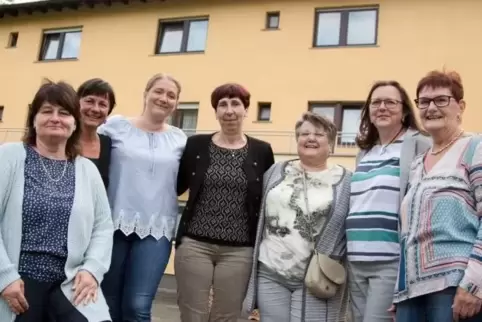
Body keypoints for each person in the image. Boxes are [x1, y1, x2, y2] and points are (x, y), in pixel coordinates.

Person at [0, 80, 113, 321]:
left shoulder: (87, 170)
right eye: (47, 111)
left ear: (74, 122)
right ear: (34, 119)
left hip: (69, 278)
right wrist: (4, 277)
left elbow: (103, 227)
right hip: (17, 277)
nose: (55, 118)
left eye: (64, 113)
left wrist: (92, 270)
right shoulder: (8, 157)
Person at [175, 83, 275, 322]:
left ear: (246, 109)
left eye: (235, 104)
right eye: (222, 105)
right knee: (192, 314)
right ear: (216, 111)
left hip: (239, 250)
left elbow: (270, 197)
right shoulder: (196, 145)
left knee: (227, 315)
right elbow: (175, 186)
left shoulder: (262, 151)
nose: (229, 110)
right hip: (195, 244)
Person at [244, 112, 351, 322]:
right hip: (271, 271)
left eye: (318, 134)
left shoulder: (347, 180)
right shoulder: (276, 171)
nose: (310, 138)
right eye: (304, 134)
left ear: (331, 144)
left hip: (318, 275)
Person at [393, 70, 482, 321]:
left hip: (456, 288)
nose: (431, 107)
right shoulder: (417, 164)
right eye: (424, 101)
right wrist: (399, 291)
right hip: (410, 294)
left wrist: (475, 284)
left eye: (441, 100)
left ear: (460, 106)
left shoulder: (475, 148)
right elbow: (408, 234)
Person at [98, 73, 187, 322]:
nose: (164, 98)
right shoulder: (115, 126)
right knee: (108, 301)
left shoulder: (180, 139)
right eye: (158, 91)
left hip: (157, 229)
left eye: (171, 95)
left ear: (177, 103)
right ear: (146, 93)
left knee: (137, 305)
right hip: (112, 225)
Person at [346, 81, 431, 322]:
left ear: (404, 110)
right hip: (355, 259)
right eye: (376, 102)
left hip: (390, 259)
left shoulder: (419, 144)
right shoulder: (365, 151)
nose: (382, 107)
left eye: (390, 102)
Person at [78, 78, 116, 189]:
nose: (95, 109)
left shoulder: (108, 144)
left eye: (103, 104)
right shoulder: (62, 140)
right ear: (76, 104)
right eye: (90, 101)